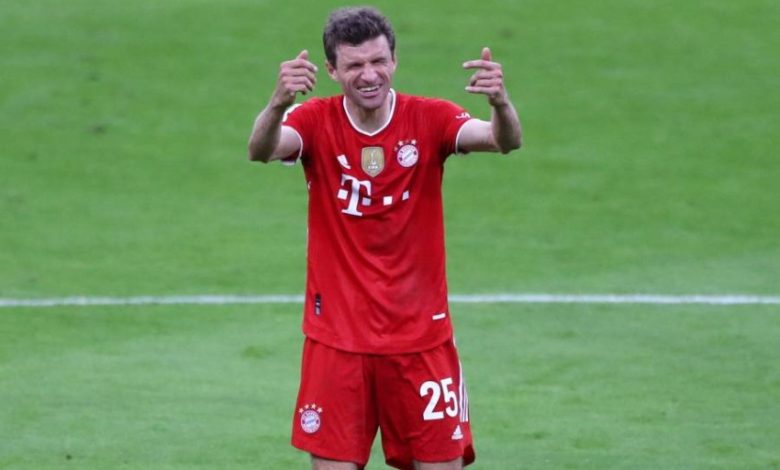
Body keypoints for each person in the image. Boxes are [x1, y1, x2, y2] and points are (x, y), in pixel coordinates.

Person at [247, 6, 521, 470]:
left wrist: (501, 104)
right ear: (332, 70)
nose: (369, 74)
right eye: (354, 65)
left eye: (378, 61)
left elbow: (503, 141)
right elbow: (262, 150)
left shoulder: (430, 117)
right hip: (337, 342)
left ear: (394, 60)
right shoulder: (313, 120)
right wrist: (277, 103)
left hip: (421, 340)